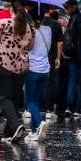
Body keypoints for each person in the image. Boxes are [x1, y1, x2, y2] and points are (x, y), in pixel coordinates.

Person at [0, 0, 35, 143]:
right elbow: (31, 47)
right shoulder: (29, 26)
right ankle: (9, 134)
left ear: (11, 11)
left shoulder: (4, 23)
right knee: (14, 98)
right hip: (22, 67)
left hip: (4, 64)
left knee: (3, 97)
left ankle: (16, 125)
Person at [24, 9, 52, 142]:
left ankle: (40, 123)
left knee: (29, 100)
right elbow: (49, 47)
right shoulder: (48, 29)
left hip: (32, 69)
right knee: (36, 100)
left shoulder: (29, 30)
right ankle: (35, 131)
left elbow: (28, 48)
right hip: (45, 70)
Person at [62, 0, 81, 118]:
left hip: (72, 55)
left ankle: (70, 107)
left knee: (73, 81)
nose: (66, 10)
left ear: (73, 7)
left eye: (67, 7)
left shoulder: (72, 19)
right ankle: (80, 108)